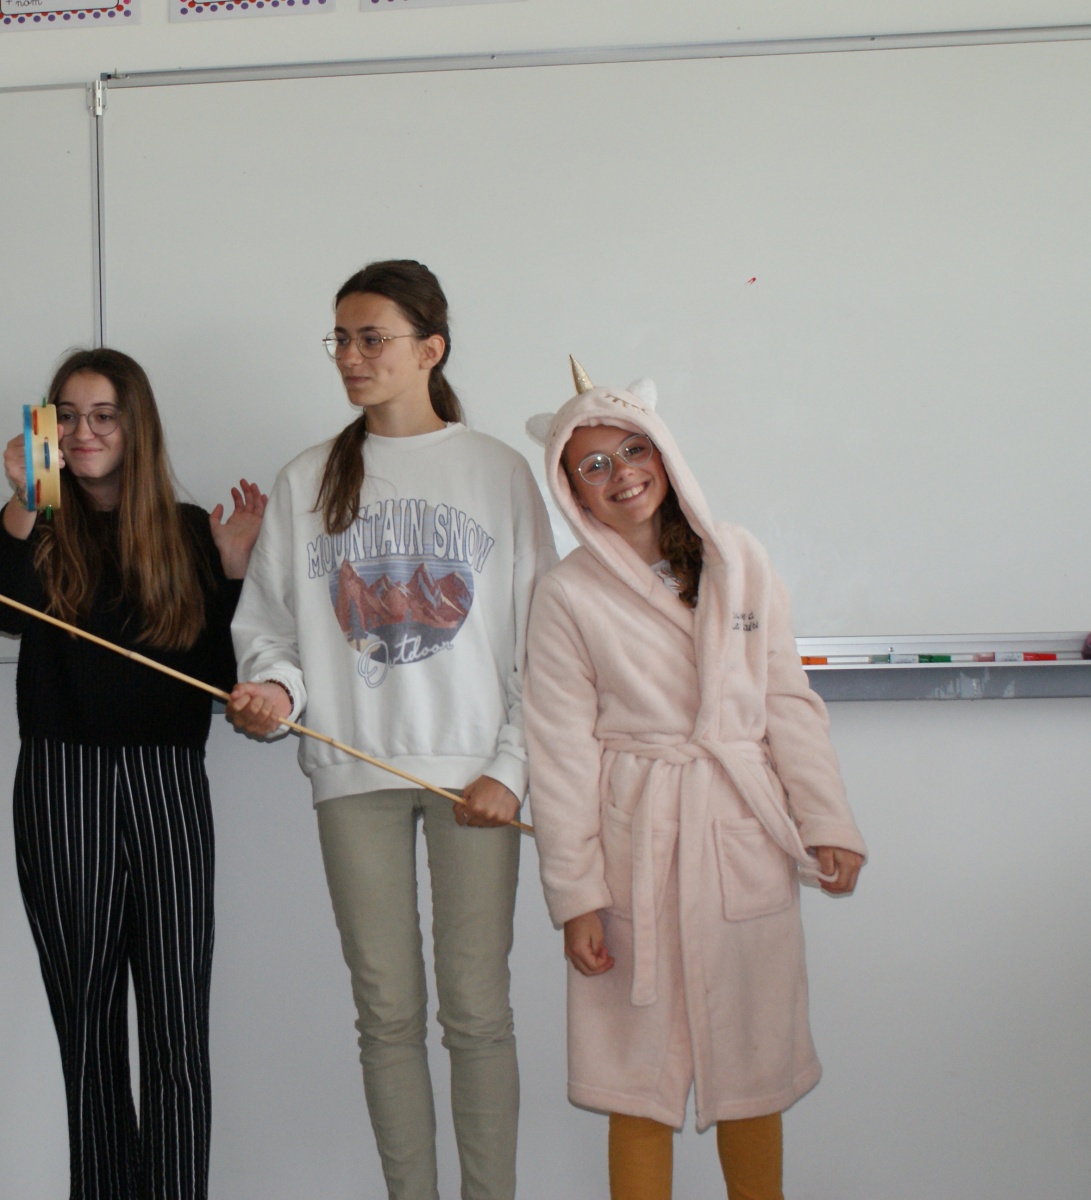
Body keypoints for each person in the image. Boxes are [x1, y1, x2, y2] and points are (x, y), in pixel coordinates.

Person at [227, 260, 555, 1200]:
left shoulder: (498, 471)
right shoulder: (307, 478)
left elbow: (542, 640)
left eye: (372, 338)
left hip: (475, 779)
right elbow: (271, 631)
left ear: (429, 349)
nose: (350, 356)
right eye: (340, 338)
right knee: (386, 1016)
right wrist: (274, 694)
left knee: (477, 1013)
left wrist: (511, 767)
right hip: (353, 774)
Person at [520, 362, 867, 1200]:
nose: (620, 473)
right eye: (592, 464)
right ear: (569, 489)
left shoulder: (737, 560)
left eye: (633, 449)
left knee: (751, 1062)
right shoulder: (566, 594)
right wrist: (576, 896)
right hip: (634, 845)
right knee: (636, 1076)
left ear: (665, 453)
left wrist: (826, 820)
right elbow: (559, 753)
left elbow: (785, 700)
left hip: (737, 833)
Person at [0, 347, 265, 1200]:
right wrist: (28, 498)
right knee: (87, 1026)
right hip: (62, 782)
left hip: (167, 783)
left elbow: (217, 678)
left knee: (175, 1024)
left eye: (103, 415)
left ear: (137, 427)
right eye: (65, 415)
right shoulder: (39, 522)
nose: (82, 432)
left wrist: (231, 571)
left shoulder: (186, 528)